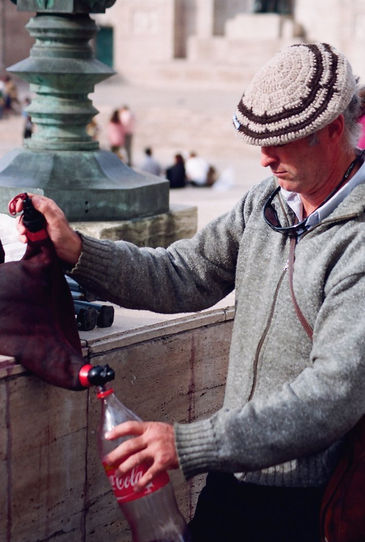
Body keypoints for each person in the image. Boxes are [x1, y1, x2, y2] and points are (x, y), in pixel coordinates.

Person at [14, 42, 365, 541]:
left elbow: (333, 393)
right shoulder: (266, 202)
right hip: (233, 479)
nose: (264, 158)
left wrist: (188, 443)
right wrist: (78, 251)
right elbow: (184, 272)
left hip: (311, 501)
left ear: (334, 131)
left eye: (282, 140)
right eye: (259, 140)